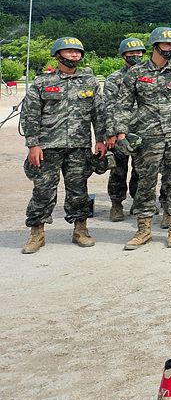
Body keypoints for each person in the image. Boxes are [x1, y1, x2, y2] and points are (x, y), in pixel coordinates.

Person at [112, 27, 171, 250]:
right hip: (147, 136)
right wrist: (121, 134)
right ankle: (143, 230)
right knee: (146, 182)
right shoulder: (135, 73)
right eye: (167, 44)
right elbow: (123, 105)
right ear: (155, 45)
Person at [20, 37, 107, 254]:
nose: (74, 55)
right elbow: (29, 115)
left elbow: (99, 113)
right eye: (69, 52)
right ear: (57, 55)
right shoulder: (42, 83)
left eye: (77, 52)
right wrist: (33, 145)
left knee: (78, 190)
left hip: (79, 146)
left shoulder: (90, 82)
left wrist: (100, 140)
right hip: (47, 147)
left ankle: (80, 230)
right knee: (43, 191)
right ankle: (36, 233)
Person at [103, 37, 146, 222]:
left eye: (139, 53)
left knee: (141, 170)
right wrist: (111, 134)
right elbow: (108, 107)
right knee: (118, 170)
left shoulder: (148, 75)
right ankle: (116, 204)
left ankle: (138, 202)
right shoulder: (114, 78)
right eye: (131, 53)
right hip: (120, 132)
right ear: (123, 56)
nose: (136, 56)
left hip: (142, 130)